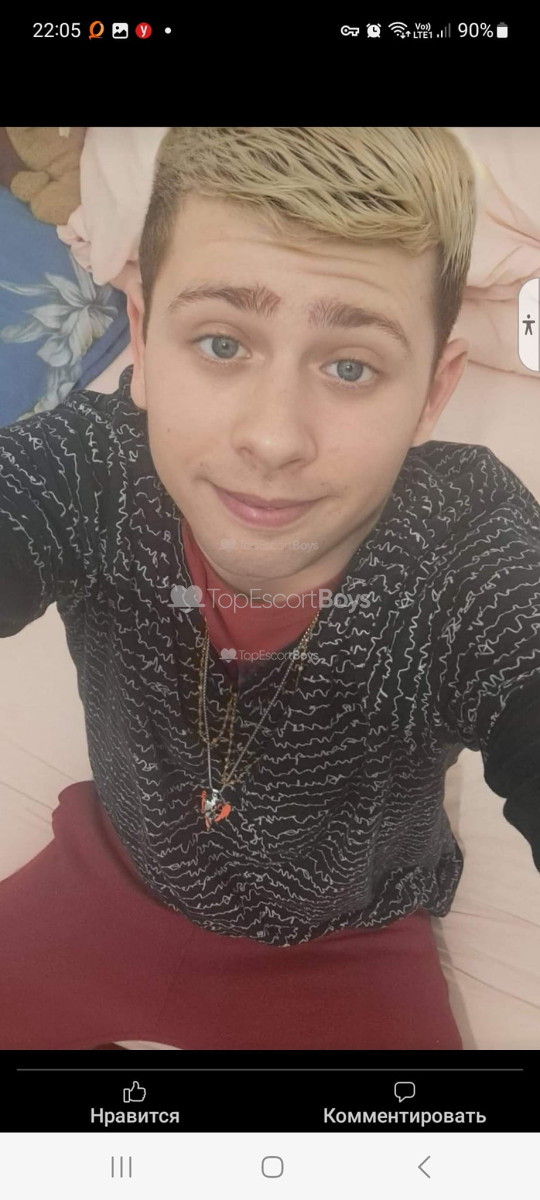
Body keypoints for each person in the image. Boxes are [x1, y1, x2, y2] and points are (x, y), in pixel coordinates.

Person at [1, 127, 539, 1051]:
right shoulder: (91, 467)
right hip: (110, 873)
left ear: (432, 392)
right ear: (142, 341)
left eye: (350, 366)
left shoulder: (468, 549)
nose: (275, 439)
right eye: (221, 343)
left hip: (350, 943)